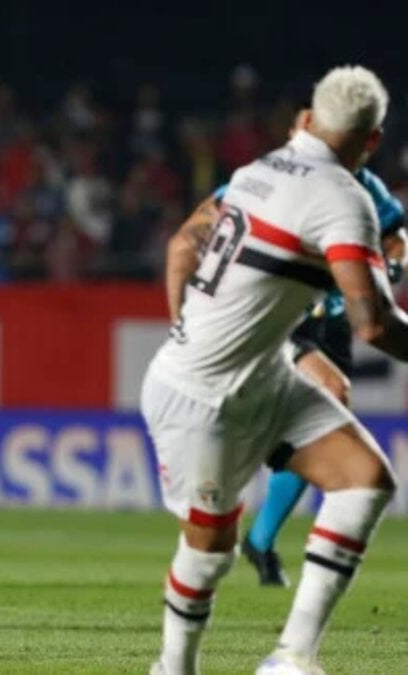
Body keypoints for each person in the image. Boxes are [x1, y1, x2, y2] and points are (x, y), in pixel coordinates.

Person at [145, 65, 400, 675]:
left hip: (264, 373)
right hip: (199, 396)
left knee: (364, 479)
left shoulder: (257, 171)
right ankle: (171, 668)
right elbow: (374, 324)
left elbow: (183, 244)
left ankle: (292, 658)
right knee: (210, 550)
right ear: (373, 141)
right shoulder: (344, 198)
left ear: (309, 118)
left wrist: (185, 323)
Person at [172, 108, 406, 587]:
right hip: (285, 309)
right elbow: (205, 227)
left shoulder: (365, 187)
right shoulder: (270, 177)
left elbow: (396, 237)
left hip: (334, 319)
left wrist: (396, 264)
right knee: (331, 394)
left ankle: (260, 539)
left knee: (321, 420)